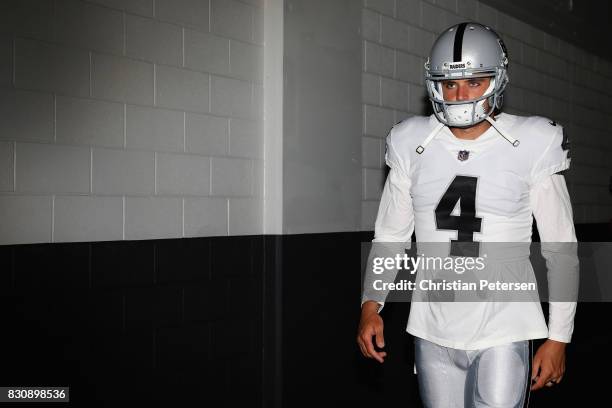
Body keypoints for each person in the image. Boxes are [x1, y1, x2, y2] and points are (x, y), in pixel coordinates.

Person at [356, 22, 578, 407]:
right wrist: (371, 303)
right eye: (449, 83)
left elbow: (560, 249)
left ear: (498, 80)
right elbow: (390, 235)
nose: (460, 95)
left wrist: (559, 337)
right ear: (434, 85)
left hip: (504, 326)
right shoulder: (411, 142)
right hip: (431, 326)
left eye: (474, 82)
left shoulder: (532, 142)